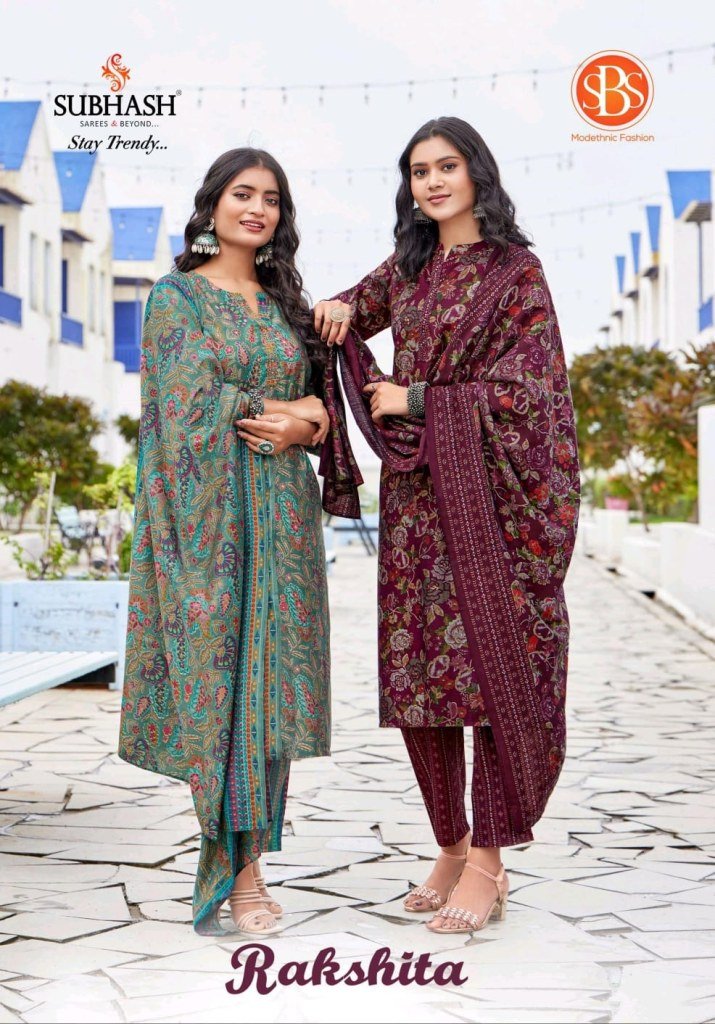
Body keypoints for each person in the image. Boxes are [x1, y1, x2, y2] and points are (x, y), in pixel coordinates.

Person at [315, 116, 580, 934]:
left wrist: (419, 397)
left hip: (493, 507)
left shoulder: (516, 273)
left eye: (446, 167)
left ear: (476, 175)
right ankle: (450, 844)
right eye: (417, 171)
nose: (430, 182)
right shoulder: (408, 268)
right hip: (417, 506)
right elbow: (343, 316)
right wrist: (327, 308)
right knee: (422, 675)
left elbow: (533, 394)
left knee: (496, 671)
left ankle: (490, 860)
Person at [118, 148, 331, 937]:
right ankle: (237, 873)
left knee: (270, 693)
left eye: (271, 198)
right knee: (222, 690)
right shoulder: (176, 297)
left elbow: (323, 405)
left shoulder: (284, 305)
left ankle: (251, 864)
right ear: (212, 205)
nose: (257, 209)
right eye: (243, 193)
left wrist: (309, 421)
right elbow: (182, 405)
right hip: (208, 526)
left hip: (283, 523)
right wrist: (291, 414)